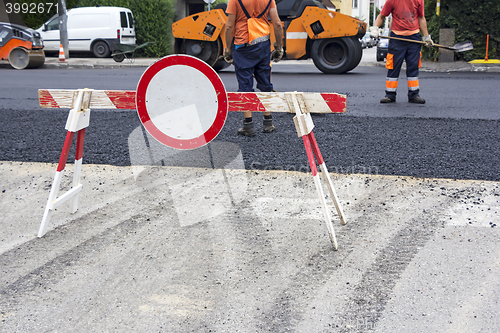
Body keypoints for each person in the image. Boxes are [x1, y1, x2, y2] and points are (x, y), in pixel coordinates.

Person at [224, 0, 284, 136]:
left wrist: (228, 49)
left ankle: (248, 124)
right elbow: (277, 24)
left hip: (242, 45)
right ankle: (268, 122)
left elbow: (229, 26)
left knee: (245, 84)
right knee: (265, 81)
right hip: (263, 44)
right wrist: (279, 46)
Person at [370, 0, 434, 104]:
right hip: (397, 38)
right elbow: (381, 16)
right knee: (393, 66)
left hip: (414, 38)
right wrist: (375, 29)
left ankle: (414, 95)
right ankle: (390, 95)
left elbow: (421, 18)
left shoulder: (419, 0)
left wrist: (426, 37)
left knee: (413, 66)